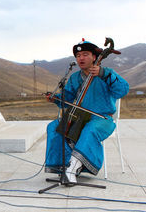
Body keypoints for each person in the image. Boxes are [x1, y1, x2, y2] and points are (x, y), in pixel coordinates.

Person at [45, 39, 129, 183]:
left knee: (90, 129)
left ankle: (73, 168)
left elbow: (123, 90)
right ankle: (61, 166)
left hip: (101, 119)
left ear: (94, 57)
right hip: (79, 118)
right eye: (78, 56)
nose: (81, 58)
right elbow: (68, 98)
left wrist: (103, 74)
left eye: (85, 54)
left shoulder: (106, 73)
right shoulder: (75, 77)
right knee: (53, 126)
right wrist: (55, 99)